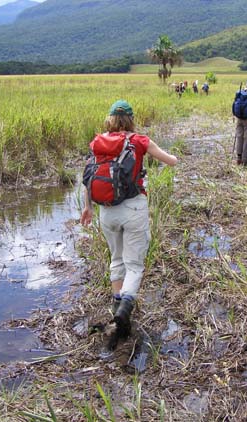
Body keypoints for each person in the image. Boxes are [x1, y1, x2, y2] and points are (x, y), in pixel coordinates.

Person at [80, 100, 178, 344]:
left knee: (116, 259)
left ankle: (117, 308)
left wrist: (87, 208)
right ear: (131, 119)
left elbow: (88, 177)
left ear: (110, 118)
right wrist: (172, 155)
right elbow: (171, 161)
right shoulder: (139, 141)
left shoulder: (98, 142)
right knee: (134, 264)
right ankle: (125, 310)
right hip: (133, 207)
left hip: (106, 211)